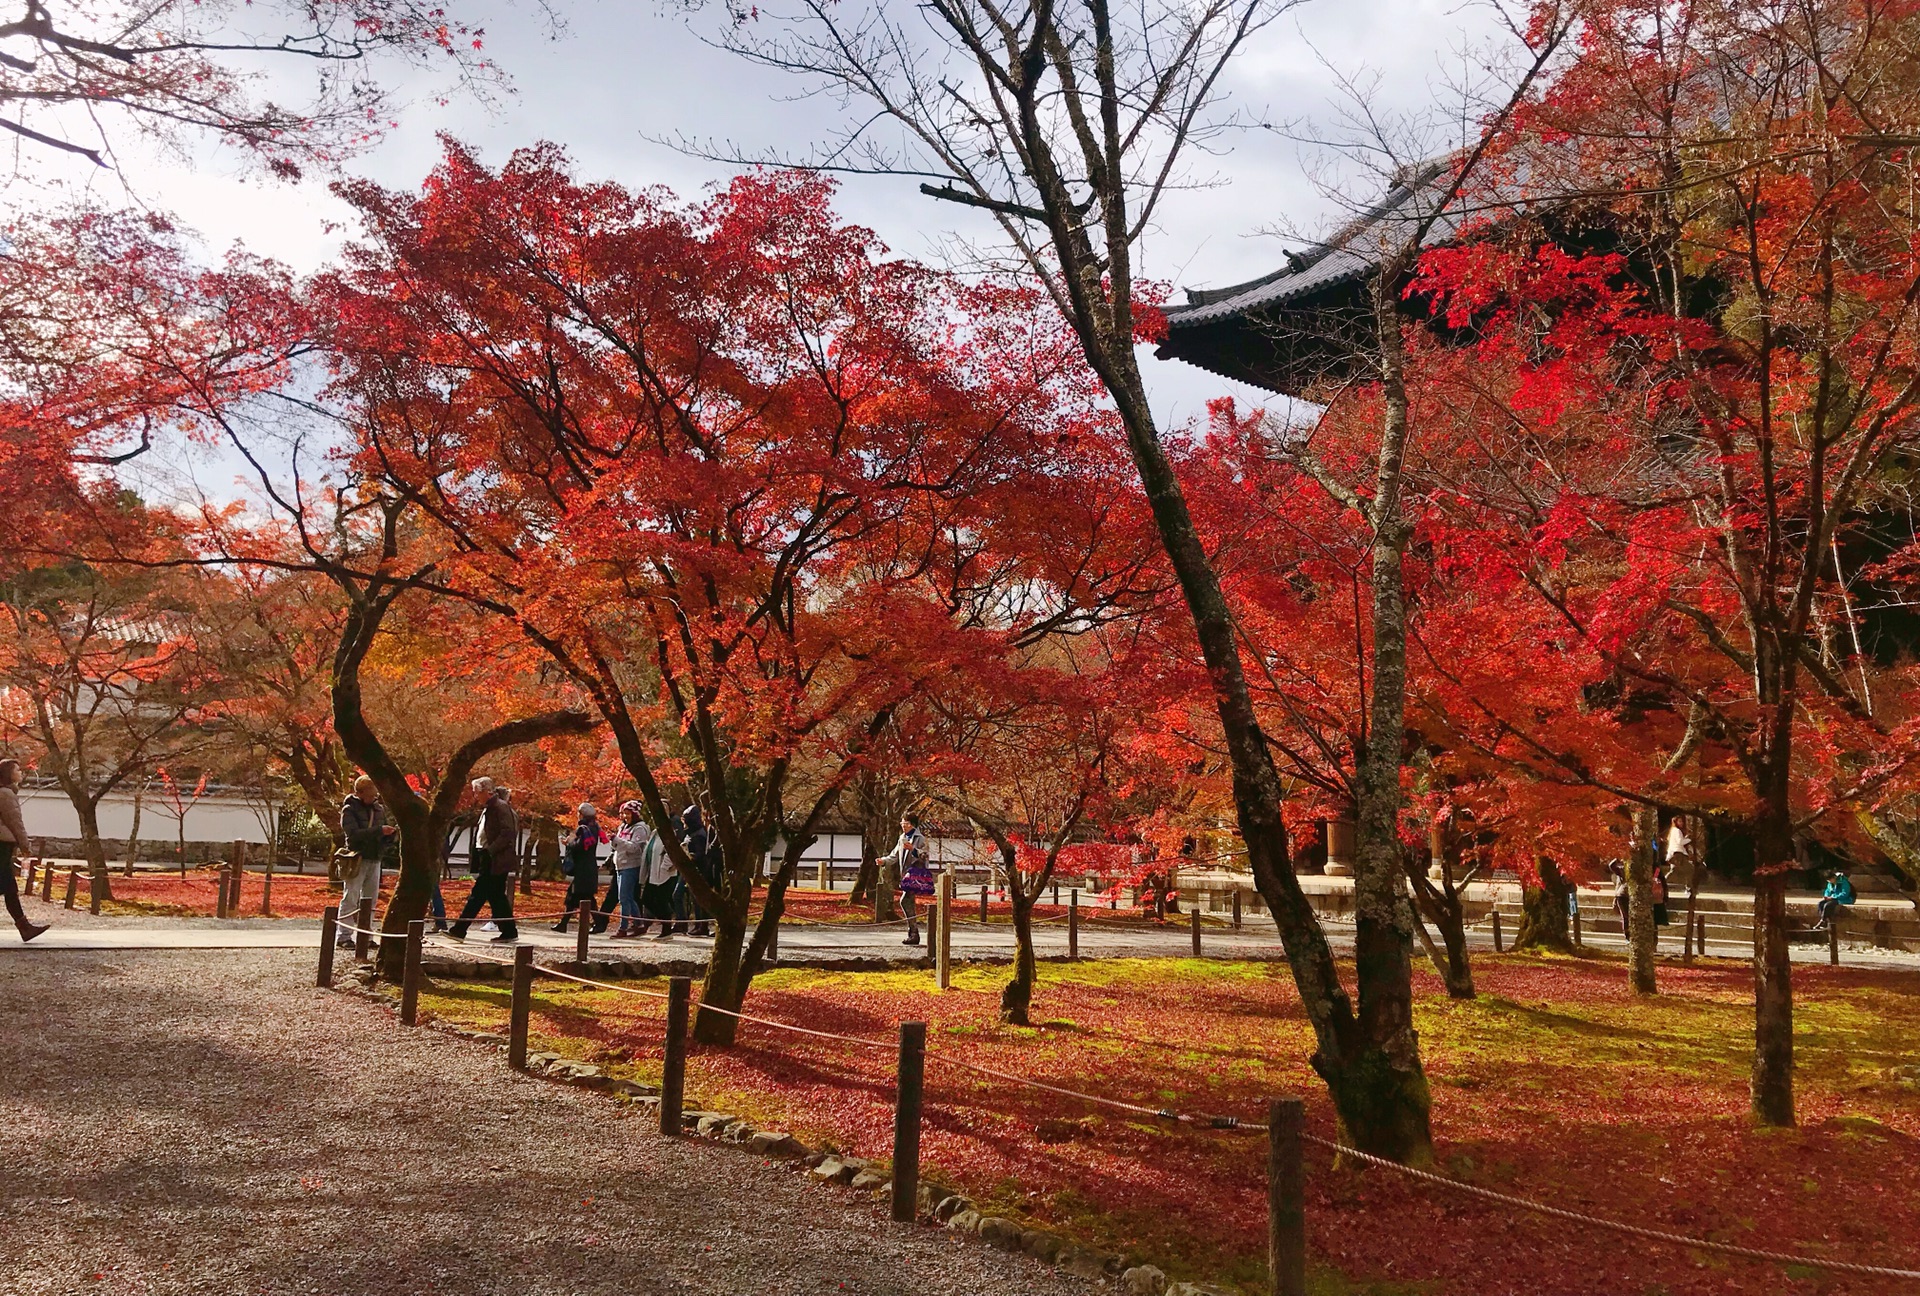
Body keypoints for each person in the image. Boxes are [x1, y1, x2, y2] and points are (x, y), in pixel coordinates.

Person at [446, 778, 520, 942]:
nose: (475, 795)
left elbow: (508, 833)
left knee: (478, 894)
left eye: (477, 792)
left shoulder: (499, 807)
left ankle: (459, 929)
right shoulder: (490, 808)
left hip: (495, 858)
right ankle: (509, 931)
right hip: (489, 856)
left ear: (487, 791)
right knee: (496, 896)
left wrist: (490, 850)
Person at [337, 777, 395, 950]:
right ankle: (344, 935)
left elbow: (380, 833)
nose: (373, 798)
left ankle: (366, 935)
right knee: (351, 897)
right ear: (359, 793)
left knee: (370, 900)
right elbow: (353, 835)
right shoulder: (349, 810)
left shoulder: (379, 810)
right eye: (370, 795)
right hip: (357, 858)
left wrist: (389, 837)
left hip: (375, 857)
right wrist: (378, 831)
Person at [0, 758, 48, 942]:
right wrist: (25, 845)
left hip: (3, 844)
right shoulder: (6, 794)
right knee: (8, 885)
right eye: (17, 770)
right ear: (8, 774)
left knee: (9, 886)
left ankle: (24, 927)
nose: (20, 773)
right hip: (2, 844)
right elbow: (15, 823)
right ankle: (24, 927)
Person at [554, 803, 605, 933]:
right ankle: (563, 924)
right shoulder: (593, 827)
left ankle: (597, 924)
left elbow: (581, 846)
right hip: (586, 868)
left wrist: (569, 842)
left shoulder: (586, 829)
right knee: (576, 897)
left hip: (584, 869)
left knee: (584, 898)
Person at [885, 813, 932, 946]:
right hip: (906, 875)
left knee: (905, 900)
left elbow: (926, 855)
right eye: (902, 822)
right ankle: (913, 933)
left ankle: (913, 933)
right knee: (907, 901)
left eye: (904, 822)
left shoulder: (920, 838)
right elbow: (894, 855)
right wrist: (883, 861)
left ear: (911, 824)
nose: (902, 825)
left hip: (916, 875)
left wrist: (914, 850)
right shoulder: (902, 838)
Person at [608, 801, 651, 937]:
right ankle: (639, 924)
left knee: (624, 898)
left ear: (635, 813)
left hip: (631, 866)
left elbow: (635, 848)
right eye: (623, 813)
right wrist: (613, 840)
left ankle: (623, 928)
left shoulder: (640, 828)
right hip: (619, 866)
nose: (625, 816)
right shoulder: (623, 827)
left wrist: (618, 841)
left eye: (628, 813)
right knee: (628, 898)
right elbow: (618, 845)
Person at [678, 803, 717, 938]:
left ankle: (702, 925)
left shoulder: (699, 834)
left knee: (699, 900)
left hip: (700, 870)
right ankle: (698, 925)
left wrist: (690, 854)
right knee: (695, 899)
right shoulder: (691, 833)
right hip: (692, 870)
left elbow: (701, 854)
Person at [640, 822, 681, 940]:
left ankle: (667, 929)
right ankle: (666, 920)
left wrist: (665, 867)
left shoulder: (669, 832)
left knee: (661, 901)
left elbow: (672, 851)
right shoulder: (655, 833)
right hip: (653, 873)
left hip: (666, 874)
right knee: (647, 899)